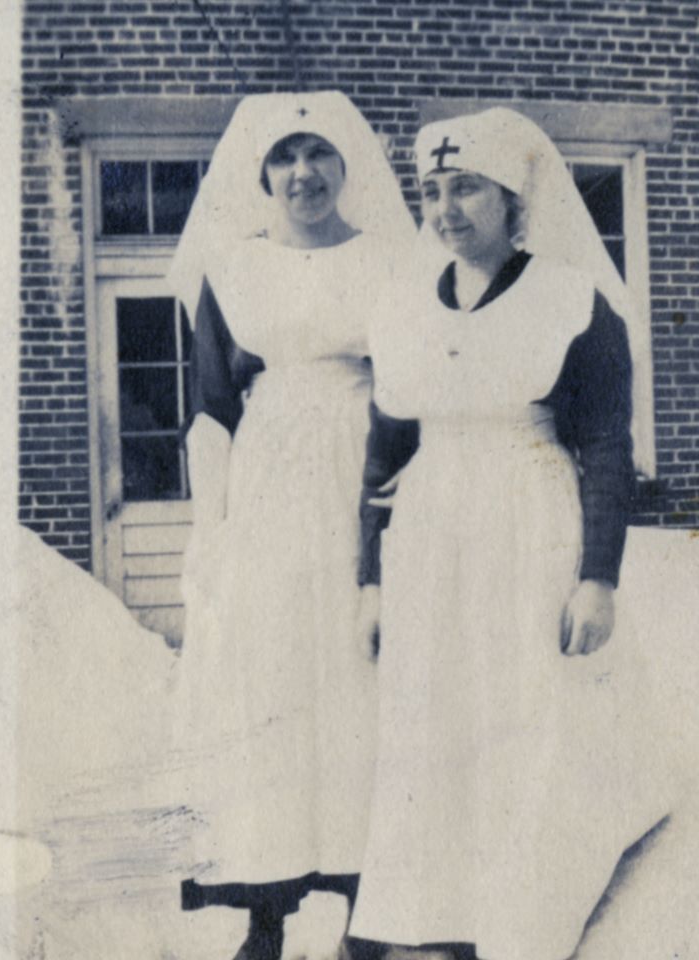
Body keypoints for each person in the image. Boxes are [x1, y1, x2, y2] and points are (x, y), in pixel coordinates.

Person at [348, 108, 671, 960]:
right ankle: (439, 914)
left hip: (529, 521)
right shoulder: (401, 308)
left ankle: (521, 917)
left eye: (468, 189)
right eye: (435, 191)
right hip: (428, 533)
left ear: (513, 196)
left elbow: (606, 444)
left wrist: (597, 575)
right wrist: (369, 579)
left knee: (524, 715)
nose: (449, 209)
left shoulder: (573, 302)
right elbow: (384, 453)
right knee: (437, 718)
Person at [166, 92, 415, 960]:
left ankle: (365, 902)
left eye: (319, 155)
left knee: (357, 677)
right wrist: (214, 525)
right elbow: (210, 406)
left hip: (360, 465)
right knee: (267, 679)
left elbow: (409, 387)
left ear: (348, 167)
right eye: (284, 158)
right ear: (261, 172)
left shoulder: (392, 261)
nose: (302, 173)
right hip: (267, 478)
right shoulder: (230, 269)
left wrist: (392, 505)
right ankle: (264, 906)